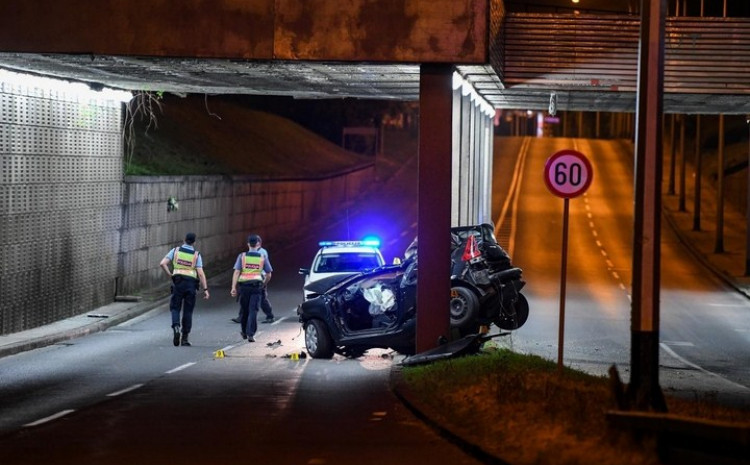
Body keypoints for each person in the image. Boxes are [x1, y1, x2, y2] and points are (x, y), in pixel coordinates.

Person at [159, 232, 209, 347]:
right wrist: (205, 289)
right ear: (194, 242)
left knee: (175, 307)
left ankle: (176, 326)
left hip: (178, 283)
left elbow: (162, 263)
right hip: (191, 285)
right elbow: (200, 273)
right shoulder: (196, 255)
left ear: (184, 239)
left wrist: (170, 275)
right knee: (188, 311)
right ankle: (185, 338)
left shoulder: (175, 251)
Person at [230, 234, 273, 342]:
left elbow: (236, 272)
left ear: (248, 244)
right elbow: (269, 274)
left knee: (244, 311)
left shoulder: (242, 256)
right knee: (253, 310)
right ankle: (250, 334)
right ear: (257, 244)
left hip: (244, 287)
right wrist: (264, 284)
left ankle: (244, 332)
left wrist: (233, 287)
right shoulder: (262, 258)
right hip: (256, 287)